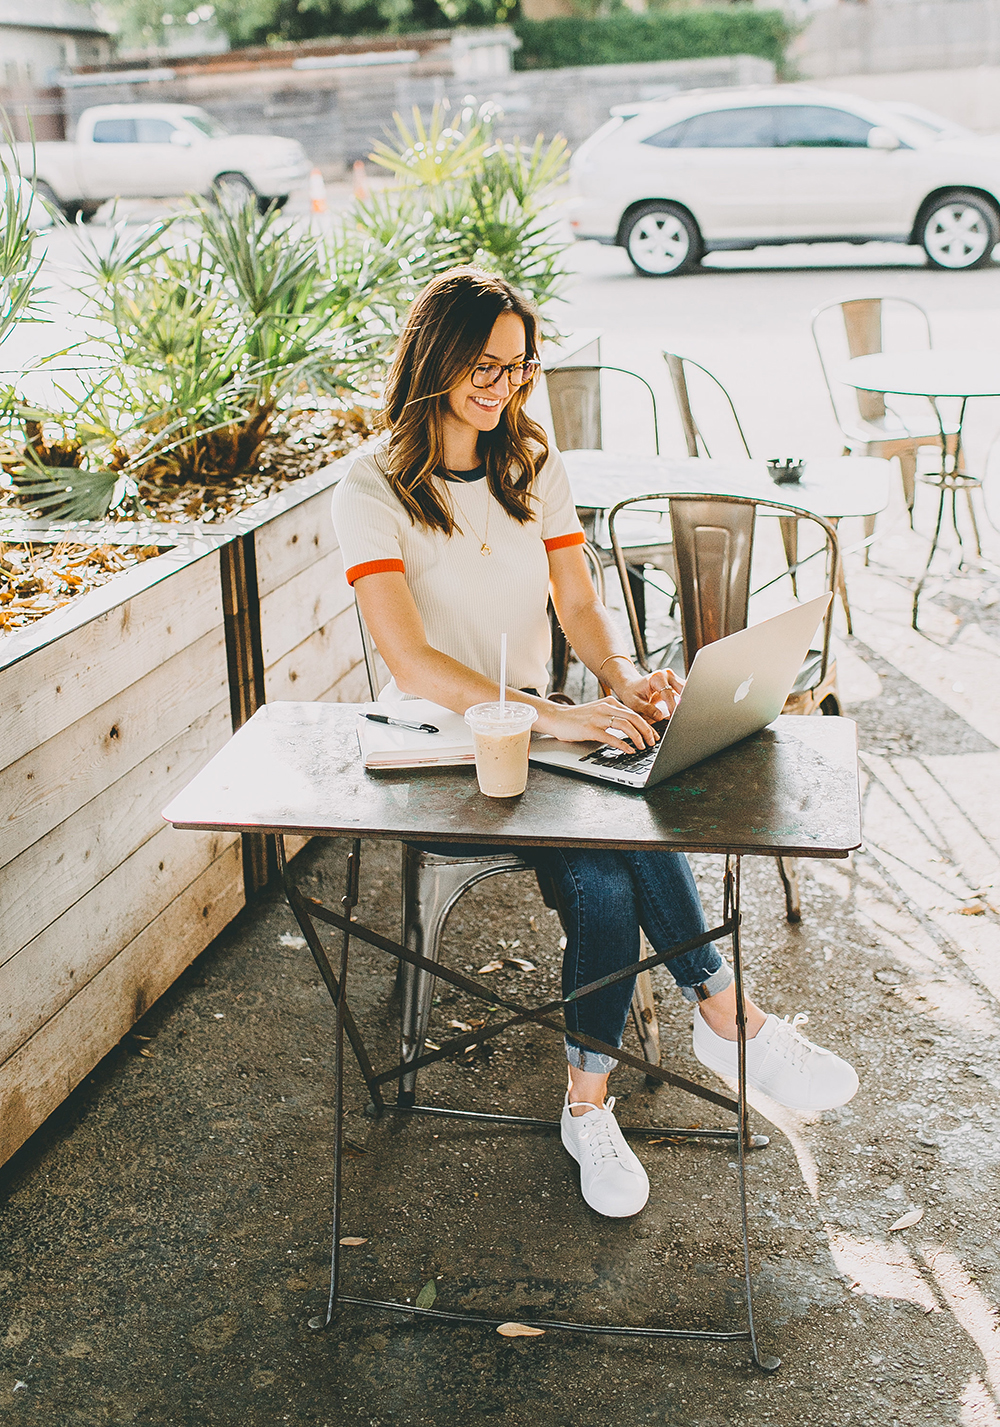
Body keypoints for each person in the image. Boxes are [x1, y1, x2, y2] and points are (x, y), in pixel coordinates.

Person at [331, 266, 858, 1220]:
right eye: (485, 366)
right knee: (613, 839)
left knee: (611, 873)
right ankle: (725, 1016)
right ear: (436, 357)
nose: (503, 386)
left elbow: (577, 601)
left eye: (520, 367)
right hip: (437, 752)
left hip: (535, 734)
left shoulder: (530, 463)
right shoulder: (372, 485)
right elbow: (410, 661)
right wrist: (564, 719)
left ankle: (591, 1103)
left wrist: (621, 679)